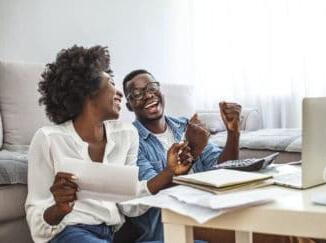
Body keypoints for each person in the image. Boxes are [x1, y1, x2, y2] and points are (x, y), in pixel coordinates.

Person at [25, 46, 192, 243]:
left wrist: (169, 173)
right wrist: (59, 208)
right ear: (88, 90)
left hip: (110, 236)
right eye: (111, 82)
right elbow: (37, 223)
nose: (120, 92)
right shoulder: (48, 138)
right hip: (68, 233)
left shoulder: (126, 135)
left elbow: (129, 204)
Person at [121, 69, 241, 242]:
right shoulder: (131, 140)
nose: (148, 95)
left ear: (161, 91)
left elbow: (223, 169)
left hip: (209, 212)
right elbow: (154, 193)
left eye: (152, 87)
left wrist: (233, 132)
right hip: (172, 227)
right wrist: (193, 150)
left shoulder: (184, 125)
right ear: (129, 105)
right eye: (137, 93)